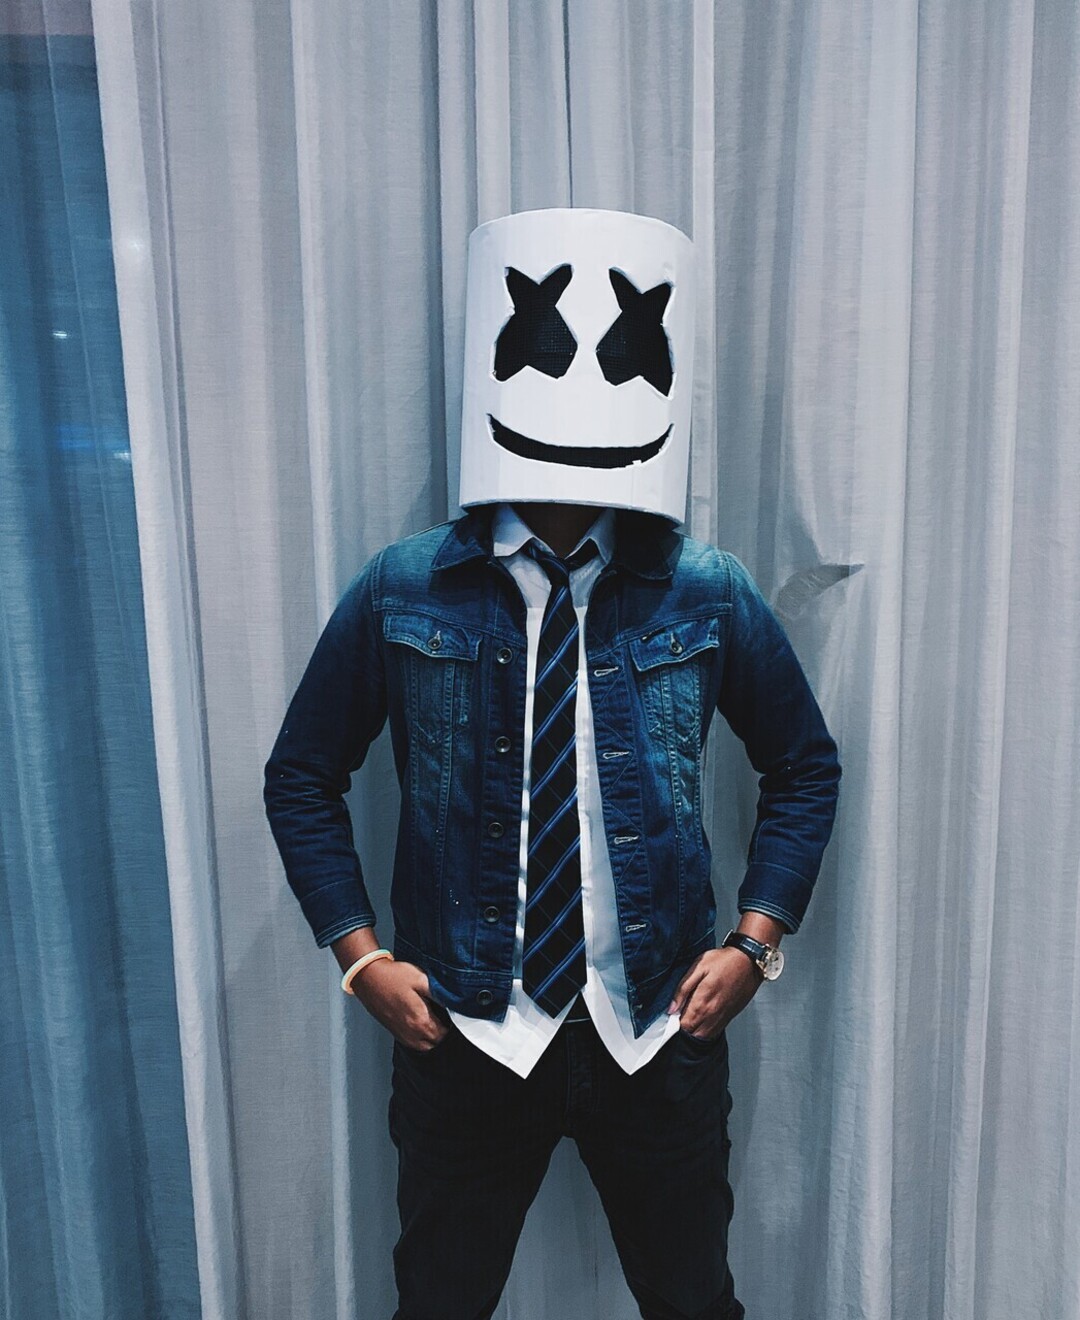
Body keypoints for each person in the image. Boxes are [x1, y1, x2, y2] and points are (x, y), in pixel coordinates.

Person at [263, 207, 841, 1320]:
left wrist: (754, 943)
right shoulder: (404, 587)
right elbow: (302, 776)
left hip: (656, 1031)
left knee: (693, 1303)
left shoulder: (706, 588)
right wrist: (359, 959)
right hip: (465, 1031)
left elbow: (803, 767)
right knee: (441, 1303)